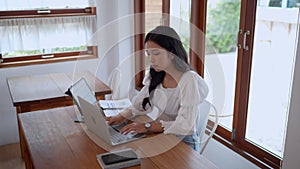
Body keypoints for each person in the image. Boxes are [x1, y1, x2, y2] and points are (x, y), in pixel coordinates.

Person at [106, 25, 209, 151]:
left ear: (172, 54)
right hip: (162, 134)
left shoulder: (188, 79)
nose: (151, 59)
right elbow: (139, 104)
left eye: (156, 53)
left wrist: (147, 126)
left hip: (184, 142)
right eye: (148, 54)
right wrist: (121, 116)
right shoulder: (156, 74)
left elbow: (186, 126)